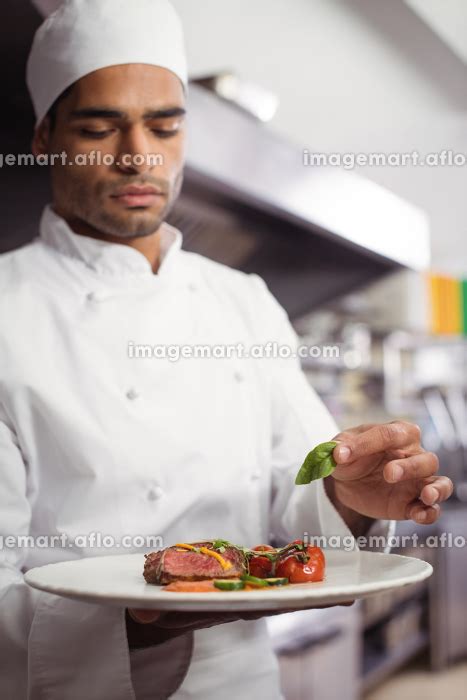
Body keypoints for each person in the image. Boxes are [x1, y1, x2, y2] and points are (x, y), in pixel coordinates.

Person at [0, 1, 452, 698]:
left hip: (240, 682)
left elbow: (295, 496)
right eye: (97, 127)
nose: (138, 156)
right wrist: (142, 614)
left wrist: (350, 496)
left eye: (165, 124)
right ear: (43, 136)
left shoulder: (242, 299)